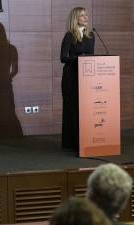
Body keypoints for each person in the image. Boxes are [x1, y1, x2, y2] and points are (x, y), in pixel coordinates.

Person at [60, 7, 95, 149]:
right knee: (72, 108)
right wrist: (78, 58)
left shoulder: (91, 36)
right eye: (82, 16)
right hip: (71, 77)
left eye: (86, 15)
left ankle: (84, 139)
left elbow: (91, 56)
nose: (85, 18)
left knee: (84, 110)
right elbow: (63, 58)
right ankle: (71, 142)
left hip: (85, 78)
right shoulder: (69, 35)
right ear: (76, 18)